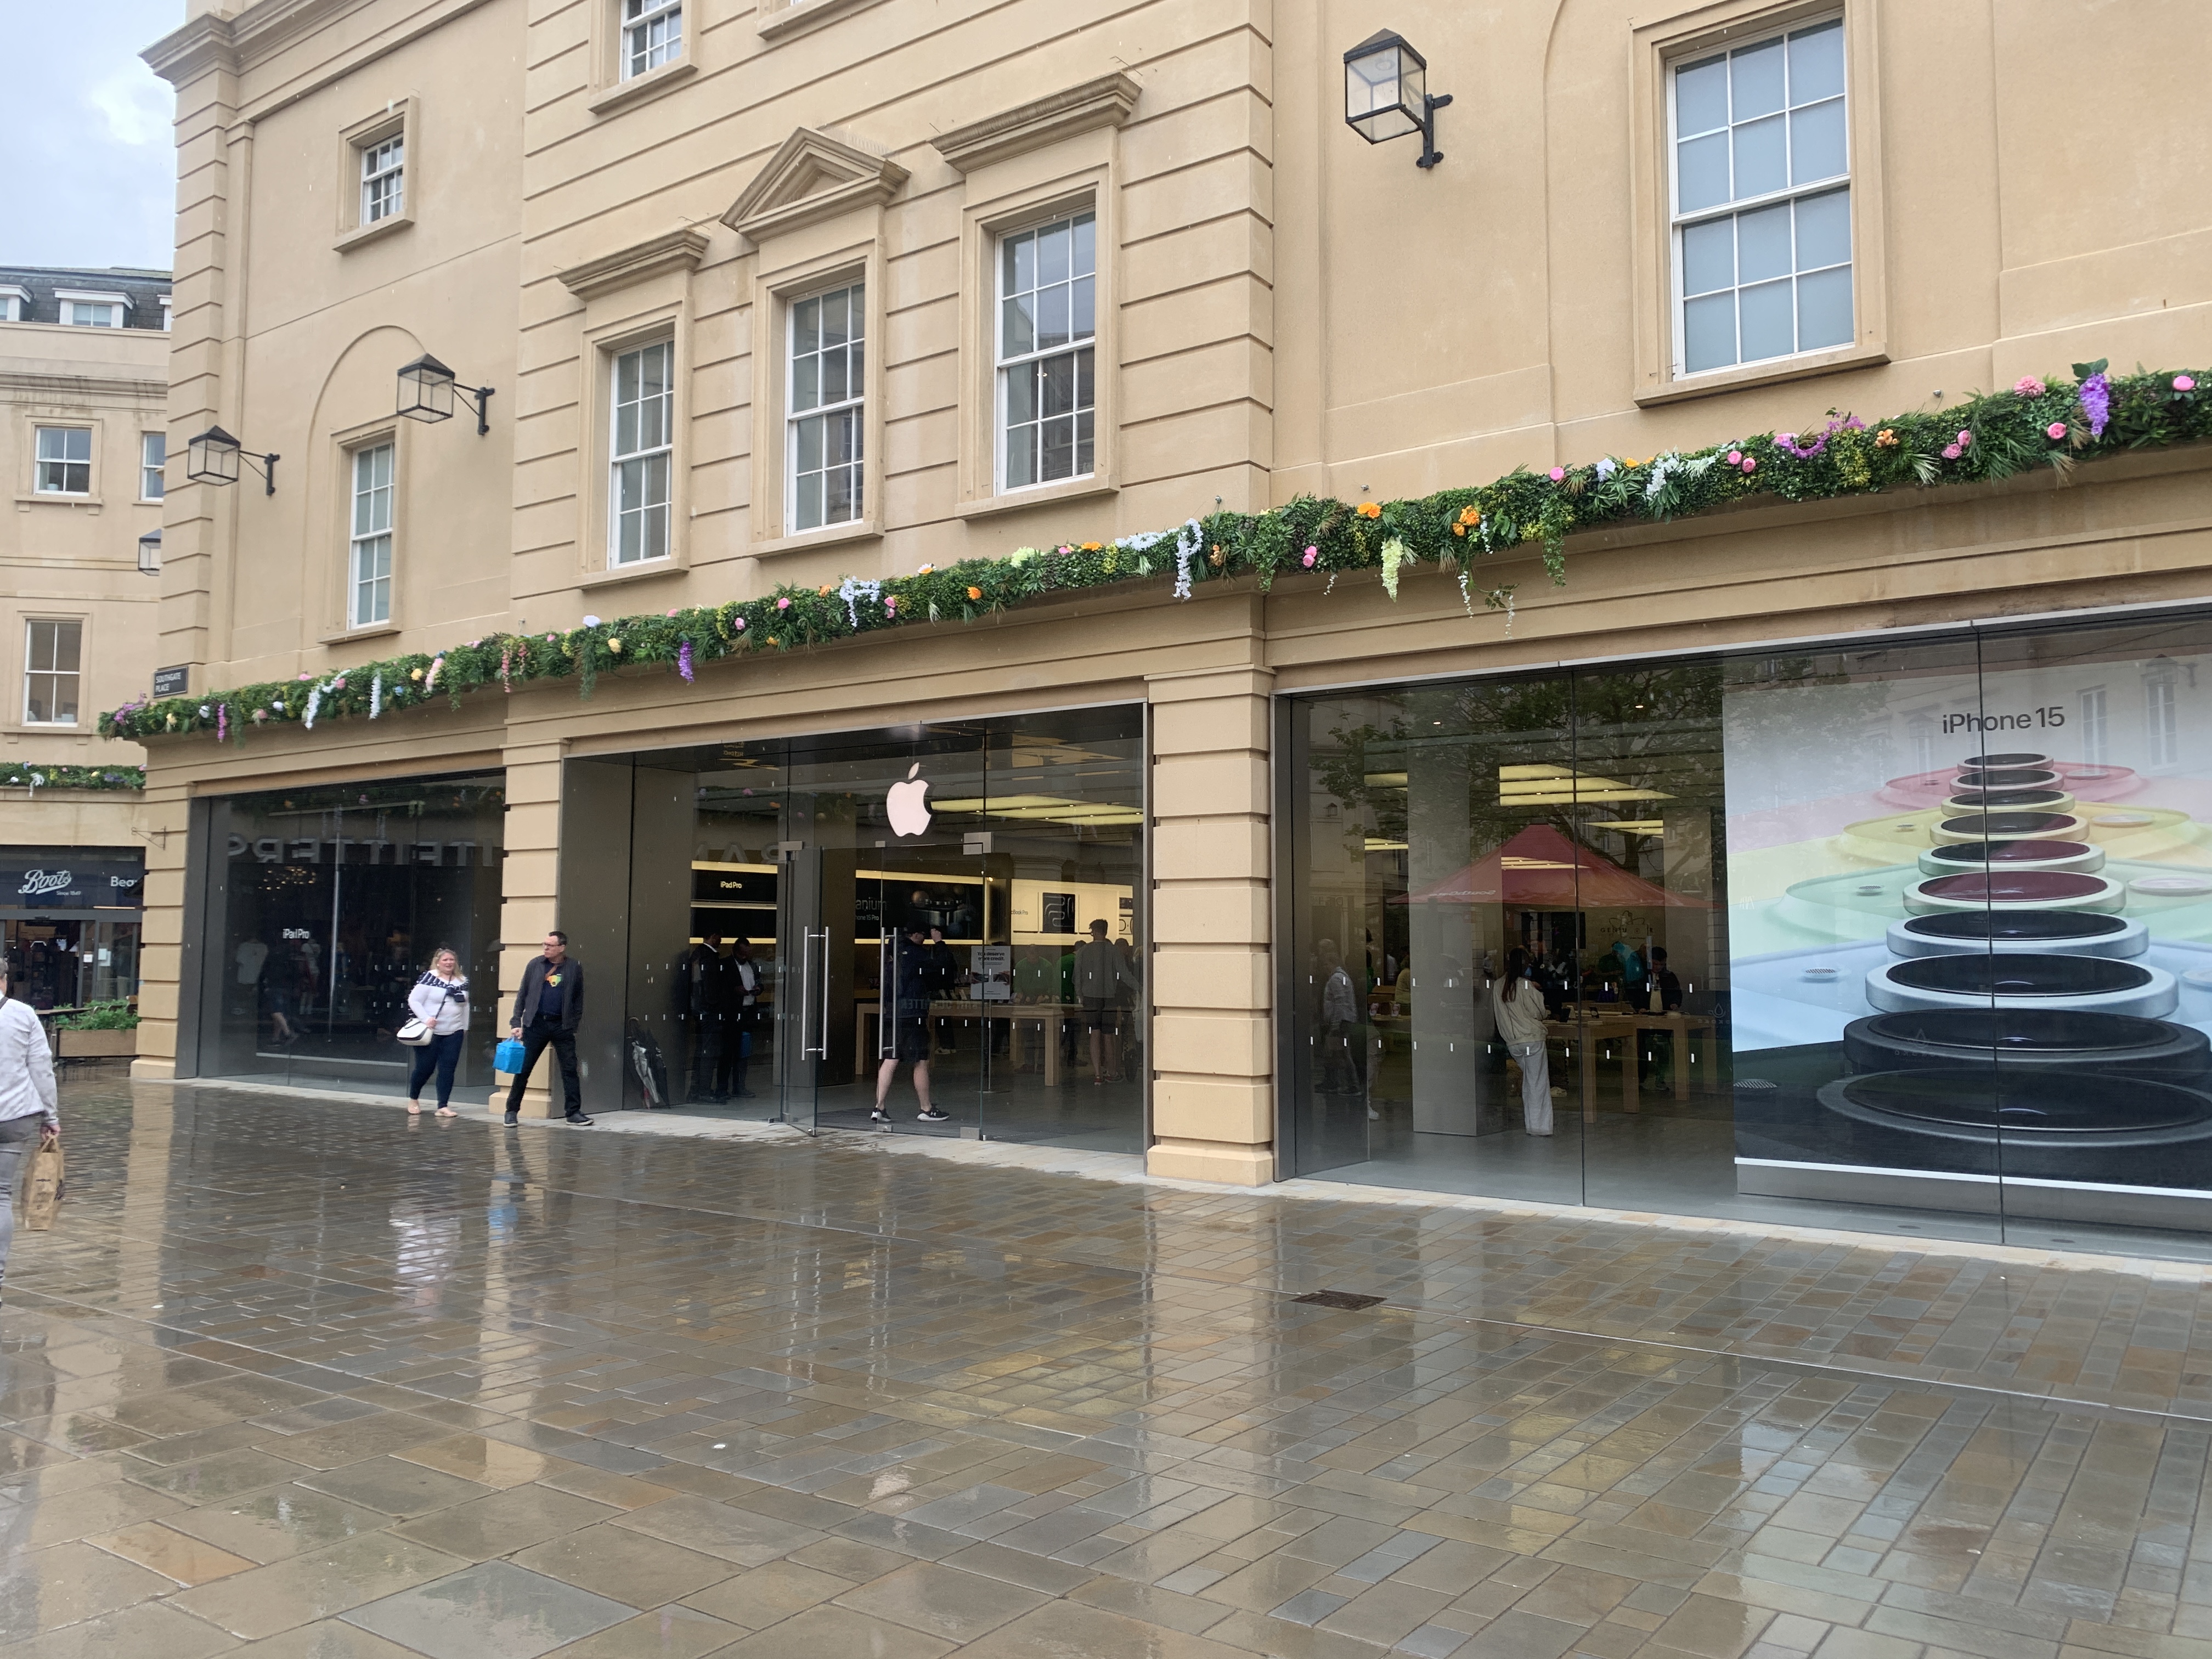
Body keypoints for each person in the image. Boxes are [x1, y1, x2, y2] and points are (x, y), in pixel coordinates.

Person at [0, 959, 58, 1296]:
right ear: (5, 981)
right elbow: (42, 1069)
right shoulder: (23, 1015)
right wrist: (51, 1117)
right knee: (1, 1194)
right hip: (13, 1117)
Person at [506, 931, 592, 1126]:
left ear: (562, 947)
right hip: (536, 1024)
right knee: (523, 1069)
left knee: (570, 1069)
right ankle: (511, 1111)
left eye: (550, 945)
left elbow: (579, 998)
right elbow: (522, 994)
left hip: (562, 1025)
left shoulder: (573, 967)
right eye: (544, 944)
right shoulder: (535, 965)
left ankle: (573, 1112)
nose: (546, 948)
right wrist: (516, 1022)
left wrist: (573, 1023)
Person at [875, 925, 947, 1124]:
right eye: (923, 936)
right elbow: (943, 968)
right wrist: (939, 943)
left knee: (891, 1059)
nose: (924, 940)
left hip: (892, 1014)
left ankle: (879, 1107)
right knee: (921, 1061)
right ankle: (926, 1108)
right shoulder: (916, 954)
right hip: (913, 1014)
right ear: (915, 935)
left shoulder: (890, 955)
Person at [1493, 947, 1554, 1137]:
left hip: (1513, 1042)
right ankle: (1539, 1127)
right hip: (1532, 1039)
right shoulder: (1525, 986)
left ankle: (1532, 1124)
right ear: (1525, 965)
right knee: (1537, 1084)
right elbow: (1539, 1012)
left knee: (1529, 1082)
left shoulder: (1497, 986)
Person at [405, 946, 470, 1118]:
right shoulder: (429, 979)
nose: (449, 963)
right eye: (445, 960)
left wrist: (465, 1027)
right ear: (438, 963)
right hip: (431, 1032)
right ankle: (414, 1098)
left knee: (448, 1069)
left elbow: (465, 1006)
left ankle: (443, 1105)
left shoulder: (462, 981)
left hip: (454, 1032)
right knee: (425, 1068)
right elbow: (414, 1000)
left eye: (452, 960)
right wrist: (426, 1018)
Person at [1073, 921, 1137, 1084]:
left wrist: (1080, 994)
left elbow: (1076, 977)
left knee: (1094, 1033)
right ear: (1106, 932)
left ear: (1093, 931)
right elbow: (1124, 974)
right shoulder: (1113, 951)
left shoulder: (1083, 951)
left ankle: (1097, 1075)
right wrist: (1140, 988)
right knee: (1109, 1035)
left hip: (1089, 997)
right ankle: (1112, 1072)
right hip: (1109, 997)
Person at [677, 933, 733, 1104]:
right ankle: (703, 1091)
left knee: (701, 1052)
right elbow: (709, 986)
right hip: (709, 1011)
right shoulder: (708, 957)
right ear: (712, 937)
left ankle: (696, 1091)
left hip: (700, 1010)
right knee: (709, 1052)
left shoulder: (698, 954)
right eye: (718, 936)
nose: (721, 940)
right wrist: (715, 1006)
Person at [723, 937, 761, 1100]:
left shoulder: (752, 966)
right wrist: (734, 990)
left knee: (743, 1052)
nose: (745, 957)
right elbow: (722, 987)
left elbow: (759, 981)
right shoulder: (727, 964)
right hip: (732, 1013)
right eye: (743, 954)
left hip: (748, 1011)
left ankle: (740, 1086)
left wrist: (758, 988)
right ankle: (725, 1087)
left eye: (748, 954)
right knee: (729, 1052)